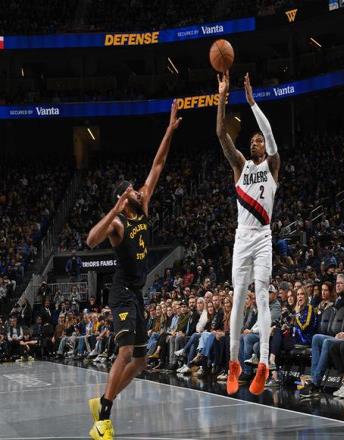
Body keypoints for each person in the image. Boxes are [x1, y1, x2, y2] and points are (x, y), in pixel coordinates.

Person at [85, 100, 182, 440]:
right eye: (132, 190)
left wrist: (169, 130)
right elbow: (91, 239)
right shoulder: (118, 224)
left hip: (136, 294)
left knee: (140, 360)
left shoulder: (143, 206)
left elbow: (158, 164)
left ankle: (103, 400)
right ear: (123, 199)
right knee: (125, 352)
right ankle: (103, 420)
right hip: (122, 293)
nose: (140, 190)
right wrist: (113, 209)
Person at [216, 71, 280, 396]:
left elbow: (268, 133)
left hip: (263, 236)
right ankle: (234, 363)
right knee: (239, 298)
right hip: (242, 237)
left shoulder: (272, 165)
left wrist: (252, 102)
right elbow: (220, 134)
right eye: (252, 140)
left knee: (263, 296)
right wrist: (222, 98)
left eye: (259, 141)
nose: (255, 142)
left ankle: (264, 364)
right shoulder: (240, 167)